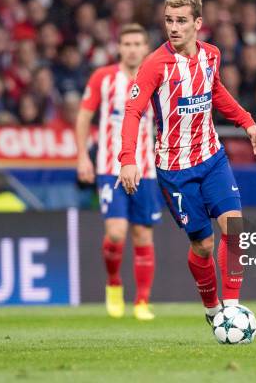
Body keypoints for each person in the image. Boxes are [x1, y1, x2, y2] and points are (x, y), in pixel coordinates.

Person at [116, 0, 256, 328]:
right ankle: (212, 308)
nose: (174, 27)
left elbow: (216, 92)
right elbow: (133, 111)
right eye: (169, 20)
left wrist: (246, 121)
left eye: (181, 21)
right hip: (175, 169)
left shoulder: (211, 55)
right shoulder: (155, 65)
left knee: (235, 228)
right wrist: (127, 158)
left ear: (198, 23)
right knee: (203, 245)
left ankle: (231, 308)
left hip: (212, 158)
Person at [76, 23, 161, 321]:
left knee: (142, 234)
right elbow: (84, 116)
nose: (132, 49)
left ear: (146, 48)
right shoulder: (103, 78)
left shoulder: (157, 75)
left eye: (138, 43)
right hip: (109, 168)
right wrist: (82, 157)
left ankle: (141, 301)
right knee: (115, 232)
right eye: (127, 43)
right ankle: (113, 284)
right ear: (119, 48)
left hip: (146, 170)